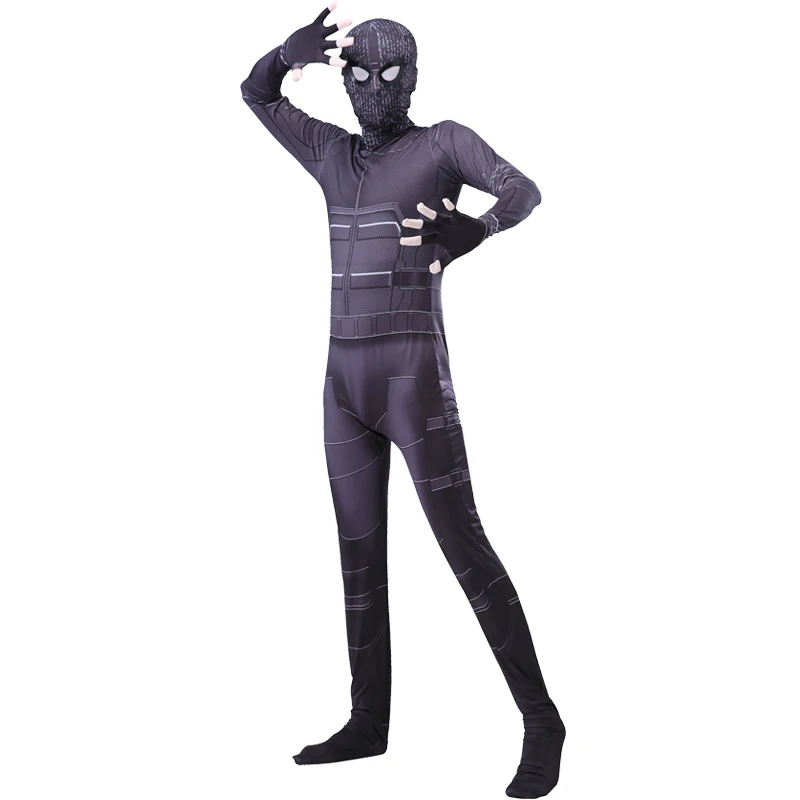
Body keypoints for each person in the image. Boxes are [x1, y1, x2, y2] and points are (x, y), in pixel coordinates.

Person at [240, 4, 566, 797]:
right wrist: (283, 56)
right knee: (358, 558)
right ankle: (369, 721)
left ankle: (542, 720)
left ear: (412, 76)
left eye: (389, 73)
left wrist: (478, 229)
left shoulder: (443, 143)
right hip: (342, 387)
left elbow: (524, 189)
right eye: (358, 73)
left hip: (413, 378)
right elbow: (254, 93)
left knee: (464, 548)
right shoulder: (330, 152)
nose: (373, 87)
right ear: (343, 79)